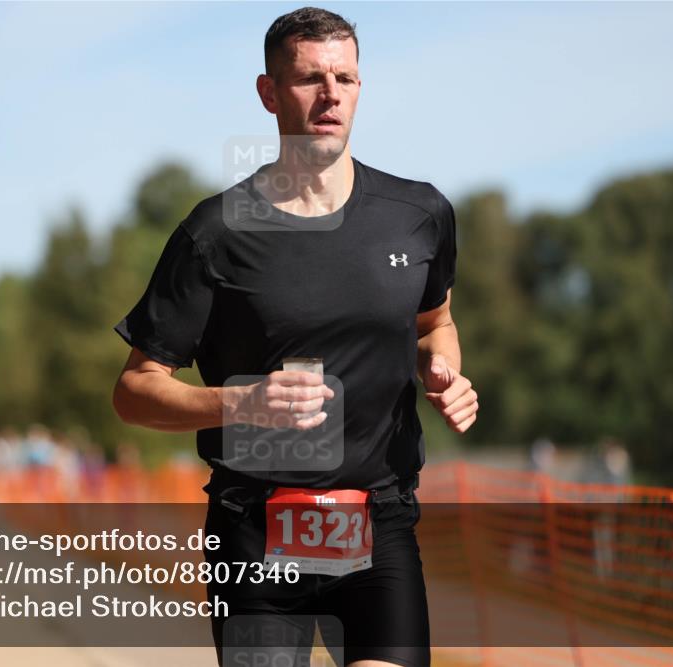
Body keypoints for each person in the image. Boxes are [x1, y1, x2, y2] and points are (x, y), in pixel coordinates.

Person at [112, 7, 478, 667]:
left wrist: (444, 371)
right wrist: (241, 403)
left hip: (379, 522)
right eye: (311, 78)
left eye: (346, 77)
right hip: (254, 531)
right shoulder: (215, 233)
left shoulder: (418, 215)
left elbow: (436, 324)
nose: (332, 93)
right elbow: (135, 389)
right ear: (269, 93)